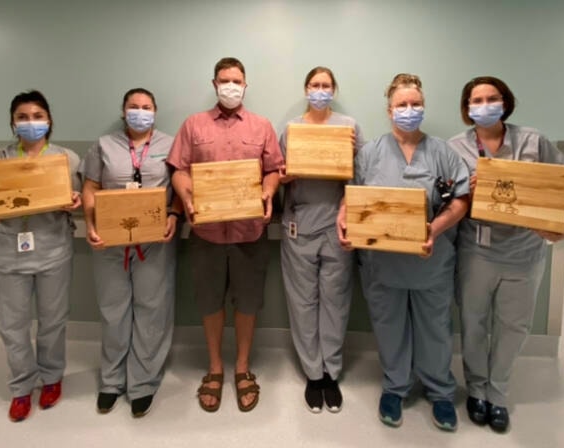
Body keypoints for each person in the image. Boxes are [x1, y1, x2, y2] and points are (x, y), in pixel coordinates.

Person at [337, 73, 469, 431]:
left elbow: (460, 200)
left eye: (415, 105)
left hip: (432, 258)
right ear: (389, 110)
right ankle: (395, 387)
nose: (409, 111)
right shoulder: (370, 154)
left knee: (435, 328)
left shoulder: (443, 152)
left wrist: (433, 230)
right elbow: (353, 197)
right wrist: (344, 222)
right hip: (383, 263)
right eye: (402, 105)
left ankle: (441, 391)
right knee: (389, 325)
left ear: (423, 107)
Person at [448, 76, 564, 432]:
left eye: (492, 98)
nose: (485, 104)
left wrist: (562, 221)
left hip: (524, 250)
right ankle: (476, 390)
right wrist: (467, 189)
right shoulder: (456, 147)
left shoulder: (533, 141)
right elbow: (448, 196)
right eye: (477, 100)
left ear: (505, 102)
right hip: (476, 250)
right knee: (473, 323)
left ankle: (498, 393)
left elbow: (558, 183)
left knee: (513, 326)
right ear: (467, 108)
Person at [167, 57, 283, 413]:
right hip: (206, 231)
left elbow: (274, 169)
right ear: (214, 83)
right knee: (210, 302)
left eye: (236, 80)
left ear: (245, 85)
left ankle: (243, 367)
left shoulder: (262, 126)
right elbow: (179, 170)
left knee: (247, 302)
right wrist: (184, 193)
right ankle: (215, 367)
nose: (230, 86)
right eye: (224, 80)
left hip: (250, 231)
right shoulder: (193, 125)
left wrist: (268, 191)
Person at [0, 90, 82, 422]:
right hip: (7, 254)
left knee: (53, 321)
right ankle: (21, 386)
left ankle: (51, 377)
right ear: (12, 122)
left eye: (37, 115)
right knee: (13, 325)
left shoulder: (67, 159)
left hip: (53, 251)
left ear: (49, 120)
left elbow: (76, 201)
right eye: (22, 117)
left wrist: (72, 203)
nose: (30, 122)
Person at [81, 87, 181, 418]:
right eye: (134, 107)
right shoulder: (104, 145)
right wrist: (90, 225)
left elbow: (181, 184)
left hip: (154, 241)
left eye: (147, 106)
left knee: (152, 309)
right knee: (113, 310)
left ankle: (143, 382)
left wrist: (174, 215)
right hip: (110, 242)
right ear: (123, 111)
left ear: (156, 111)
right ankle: (111, 381)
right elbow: (91, 187)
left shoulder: (170, 144)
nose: (140, 111)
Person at [278, 66, 364, 413]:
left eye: (326, 85)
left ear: (335, 89)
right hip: (299, 222)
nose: (320, 90)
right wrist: (286, 176)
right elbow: (278, 177)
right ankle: (313, 374)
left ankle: (332, 370)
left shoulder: (349, 128)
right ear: (305, 89)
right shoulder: (291, 131)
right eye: (314, 85)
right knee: (302, 302)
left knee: (335, 300)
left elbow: (357, 177)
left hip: (336, 221)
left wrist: (348, 212)